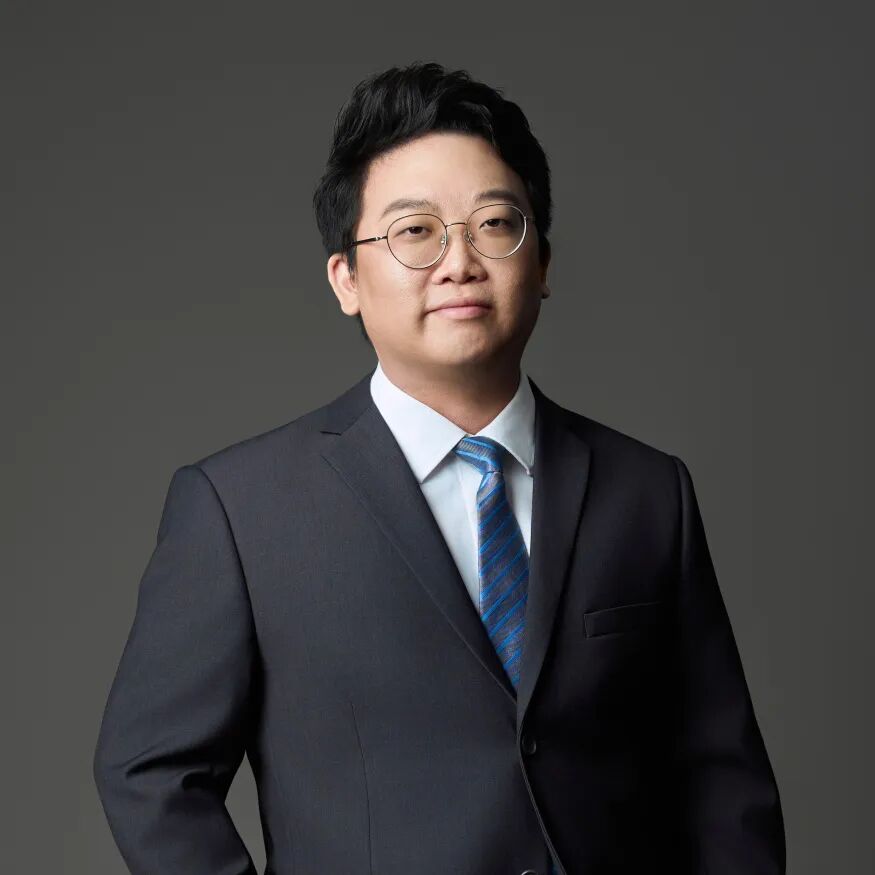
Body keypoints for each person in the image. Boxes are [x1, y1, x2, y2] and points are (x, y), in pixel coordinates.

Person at [93, 61, 786, 875]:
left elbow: (721, 777)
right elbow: (149, 774)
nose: (459, 262)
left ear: (543, 263)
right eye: (415, 231)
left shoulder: (647, 491)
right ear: (346, 279)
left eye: (493, 223)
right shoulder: (240, 509)